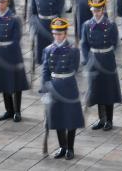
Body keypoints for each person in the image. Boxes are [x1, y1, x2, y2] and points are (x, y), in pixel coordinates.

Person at [40, 18, 84, 160]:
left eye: (59, 34)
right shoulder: (48, 50)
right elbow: (45, 70)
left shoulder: (73, 50)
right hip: (54, 86)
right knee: (58, 118)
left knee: (70, 118)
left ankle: (70, 147)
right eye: (55, 34)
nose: (57, 36)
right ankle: (62, 146)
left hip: (69, 86)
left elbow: (75, 68)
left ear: (65, 33)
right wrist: (45, 89)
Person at [0, 0, 29, 122]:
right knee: (3, 82)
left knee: (16, 83)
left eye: (3, 1)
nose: (0, 4)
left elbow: (16, 39)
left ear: (8, 2)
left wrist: (9, 54)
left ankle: (17, 111)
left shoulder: (14, 19)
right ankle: (8, 110)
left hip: (12, 54)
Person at [81, 0, 122, 131]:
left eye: (98, 10)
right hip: (94, 59)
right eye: (94, 10)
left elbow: (116, 43)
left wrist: (109, 55)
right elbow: (84, 44)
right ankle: (101, 119)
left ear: (103, 10)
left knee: (108, 90)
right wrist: (88, 59)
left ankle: (109, 120)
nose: (96, 13)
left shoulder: (110, 25)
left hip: (107, 59)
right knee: (97, 90)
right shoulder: (87, 25)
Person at [30, 0, 65, 64]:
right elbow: (33, 12)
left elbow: (60, 13)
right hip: (41, 24)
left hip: (53, 24)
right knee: (41, 54)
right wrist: (34, 26)